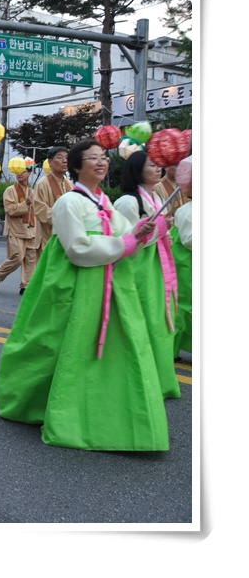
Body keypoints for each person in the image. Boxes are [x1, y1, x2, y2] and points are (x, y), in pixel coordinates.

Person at [0, 139, 169, 451]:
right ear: (77, 166)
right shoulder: (69, 202)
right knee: (57, 343)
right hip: (76, 284)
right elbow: (77, 248)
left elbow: (127, 236)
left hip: (108, 283)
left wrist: (144, 232)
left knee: (102, 348)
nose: (101, 162)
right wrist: (124, 243)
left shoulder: (105, 202)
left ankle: (98, 406)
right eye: (92, 158)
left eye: (104, 157)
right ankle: (41, 401)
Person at [113, 151, 180, 400]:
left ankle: (157, 380)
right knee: (143, 320)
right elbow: (127, 239)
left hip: (155, 266)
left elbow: (157, 233)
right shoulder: (128, 202)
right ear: (137, 169)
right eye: (152, 165)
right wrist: (160, 229)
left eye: (159, 165)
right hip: (137, 268)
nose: (158, 168)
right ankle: (138, 380)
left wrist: (166, 230)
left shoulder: (156, 196)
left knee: (158, 320)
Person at [0, 164, 39, 295]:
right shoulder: (10, 190)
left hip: (32, 230)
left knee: (31, 260)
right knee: (17, 258)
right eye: (18, 171)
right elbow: (10, 210)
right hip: (16, 230)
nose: (20, 173)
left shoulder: (33, 191)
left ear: (29, 173)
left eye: (23, 171)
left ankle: (26, 286)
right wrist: (26, 203)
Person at [170, 157, 193, 360]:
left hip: (189, 265)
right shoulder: (188, 211)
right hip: (187, 266)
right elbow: (189, 240)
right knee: (185, 308)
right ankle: (172, 349)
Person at [32, 146, 72, 258]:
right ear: (50, 162)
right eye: (60, 158)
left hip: (65, 239)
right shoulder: (43, 183)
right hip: (47, 238)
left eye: (67, 158)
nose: (64, 161)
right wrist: (65, 216)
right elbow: (41, 210)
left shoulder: (69, 184)